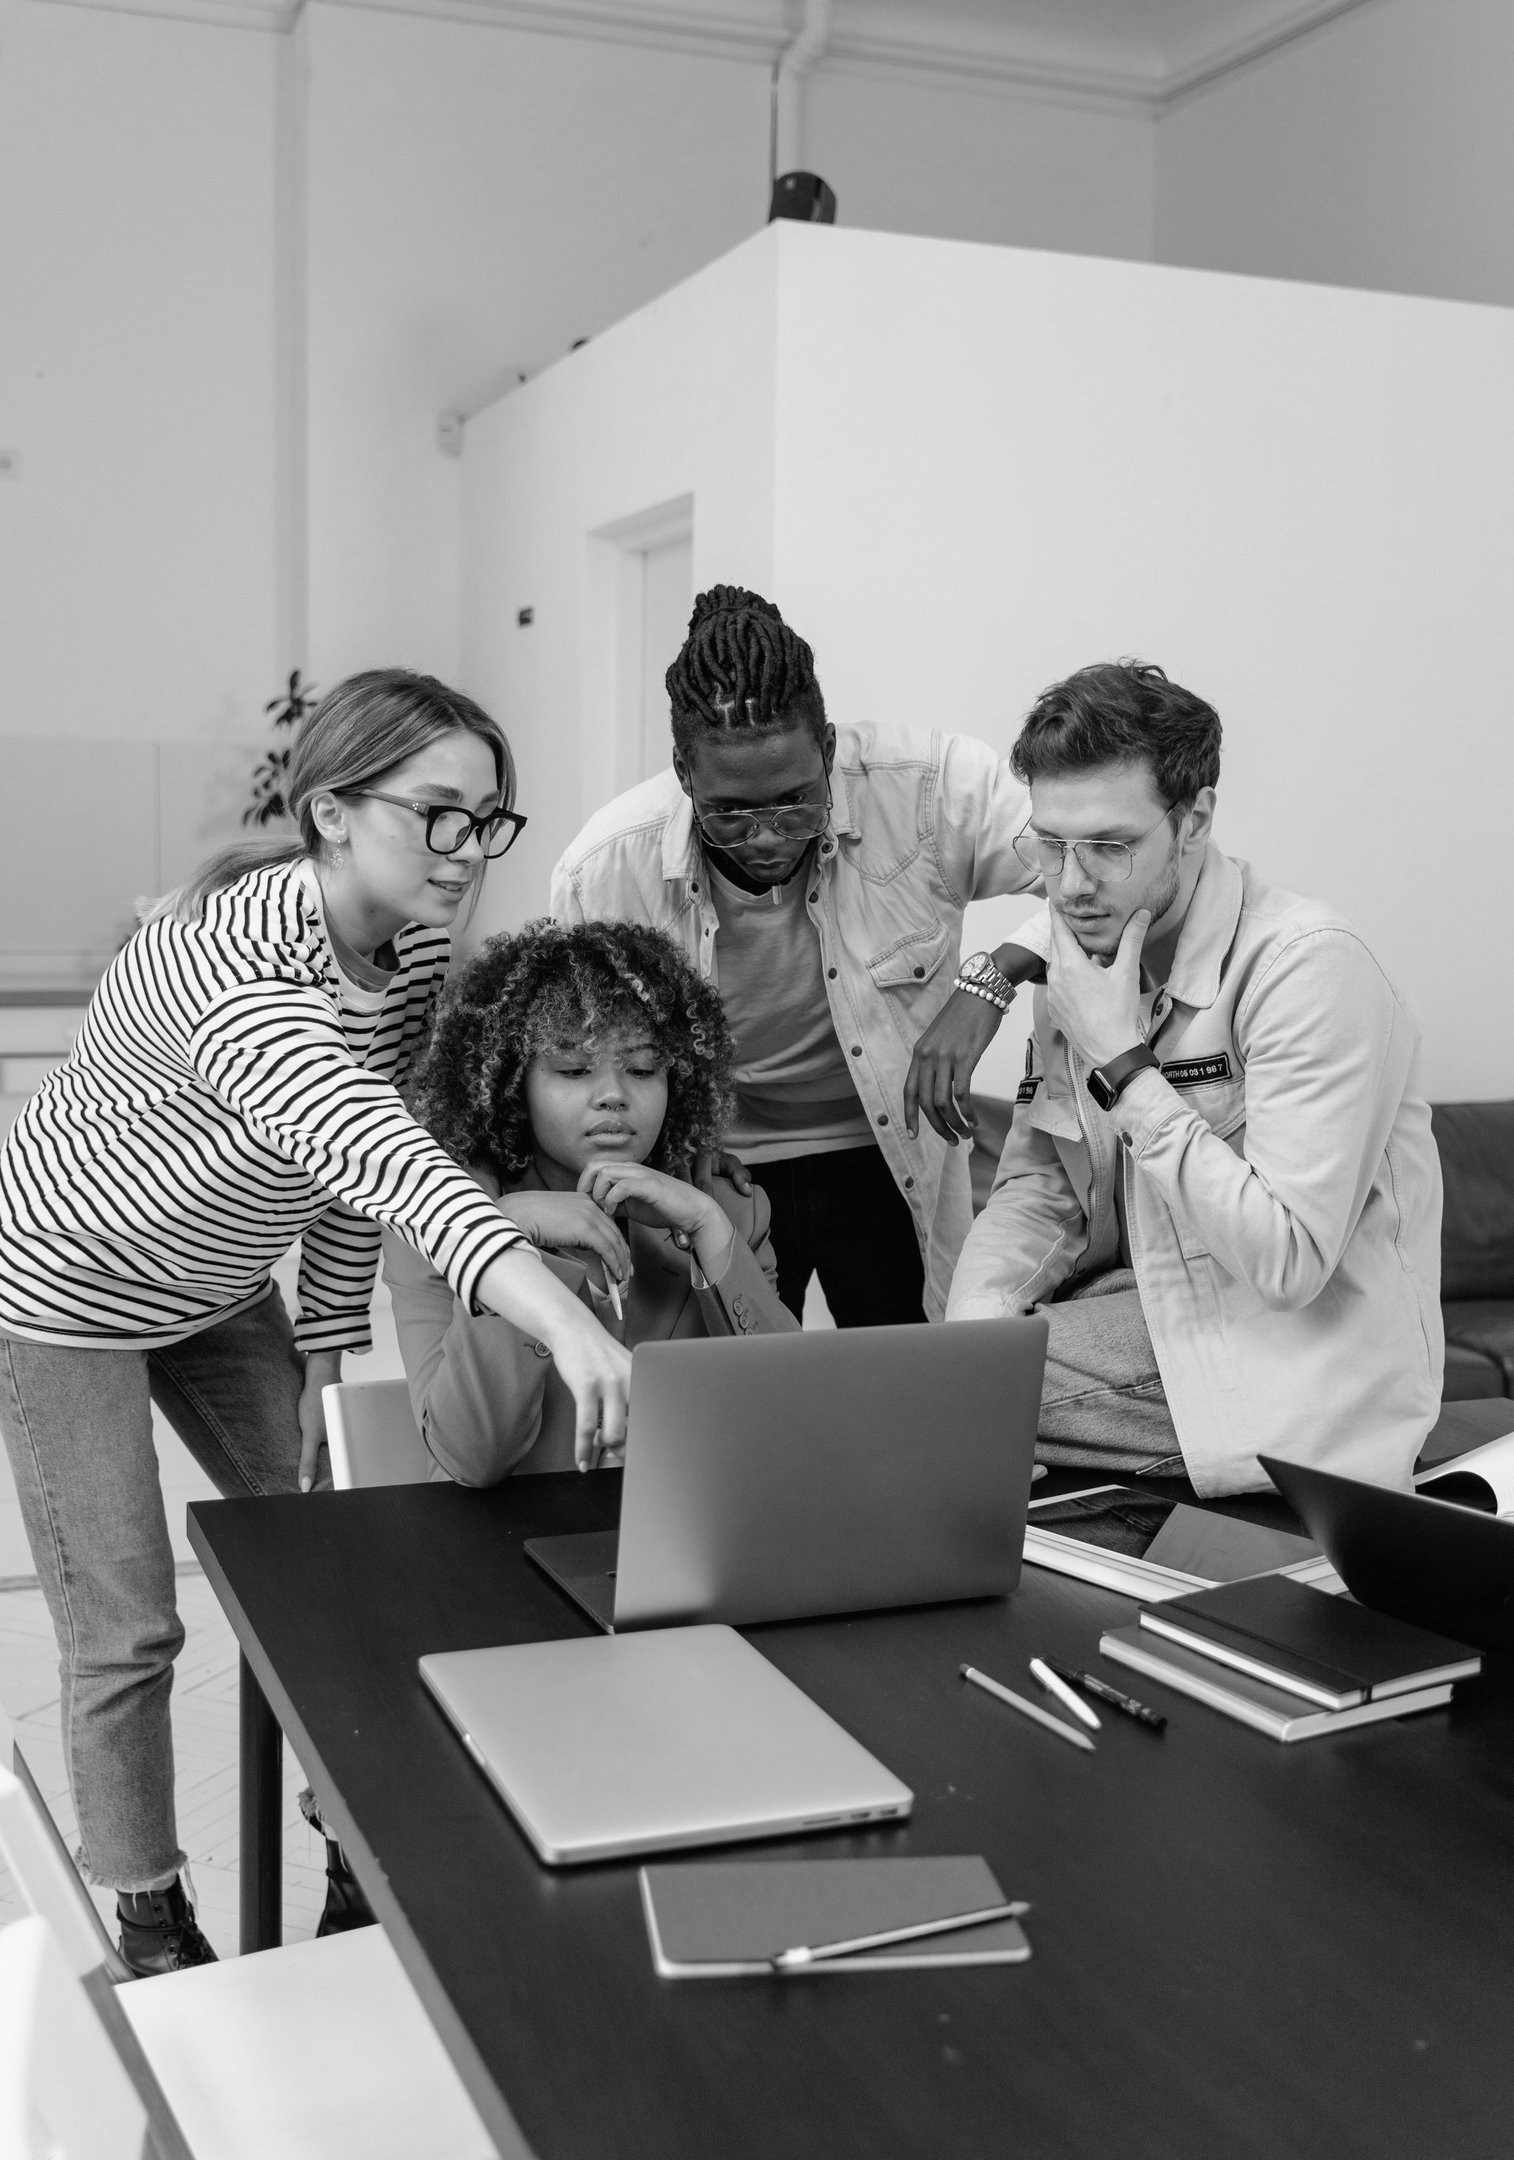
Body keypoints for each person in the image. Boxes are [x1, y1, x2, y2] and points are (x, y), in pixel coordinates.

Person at [0, 670, 630, 1973]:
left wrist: (328, 1346)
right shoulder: (235, 964)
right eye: (436, 813)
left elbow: (345, 1182)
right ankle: (151, 1920)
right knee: (127, 1626)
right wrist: (560, 1320)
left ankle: (352, 1848)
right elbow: (375, 1150)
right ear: (332, 813)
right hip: (66, 1292)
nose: (466, 850)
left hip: (221, 1286)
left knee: (344, 1557)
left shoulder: (410, 956)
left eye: (486, 819)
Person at [946, 660, 1443, 1496]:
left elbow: (1287, 1263)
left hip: (1293, 1363)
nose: (1072, 885)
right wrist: (972, 1336)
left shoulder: (1308, 967)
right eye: (1051, 846)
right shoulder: (1082, 955)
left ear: (1195, 819)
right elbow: (1041, 1189)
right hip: (1144, 1311)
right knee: (931, 1375)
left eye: (1111, 847)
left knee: (914, 1406)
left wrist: (1123, 1061)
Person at [550, 585, 1047, 1327]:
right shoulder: (605, 870)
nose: (765, 837)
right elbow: (576, 1057)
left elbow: (1101, 875)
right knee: (741, 1382)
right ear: (684, 773)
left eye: (795, 802)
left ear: (830, 750)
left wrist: (992, 979)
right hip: (721, 1164)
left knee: (907, 1373)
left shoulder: (932, 788)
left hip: (888, 1148)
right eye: (729, 813)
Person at [385, 919, 798, 1482]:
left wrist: (708, 1227)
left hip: (684, 1524)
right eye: (575, 1069)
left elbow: (790, 1420)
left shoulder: (729, 1209)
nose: (613, 1096)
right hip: (509, 1533)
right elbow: (471, 1460)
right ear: (513, 1086)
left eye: (643, 1069)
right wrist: (508, 1236)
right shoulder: (438, 1218)